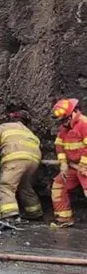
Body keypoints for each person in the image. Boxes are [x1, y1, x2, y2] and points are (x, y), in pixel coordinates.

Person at [0, 109, 43, 220]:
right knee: (24, 186)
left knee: (5, 186)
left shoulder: (3, 127)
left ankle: (10, 214)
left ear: (12, 119)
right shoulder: (30, 133)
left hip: (16, 159)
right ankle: (35, 212)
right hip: (34, 161)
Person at [49, 98, 87, 228]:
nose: (64, 123)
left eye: (65, 119)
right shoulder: (63, 128)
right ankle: (64, 218)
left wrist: (83, 165)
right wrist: (63, 163)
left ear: (73, 113)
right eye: (62, 121)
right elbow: (59, 146)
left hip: (84, 166)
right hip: (73, 166)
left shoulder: (84, 124)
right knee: (59, 185)